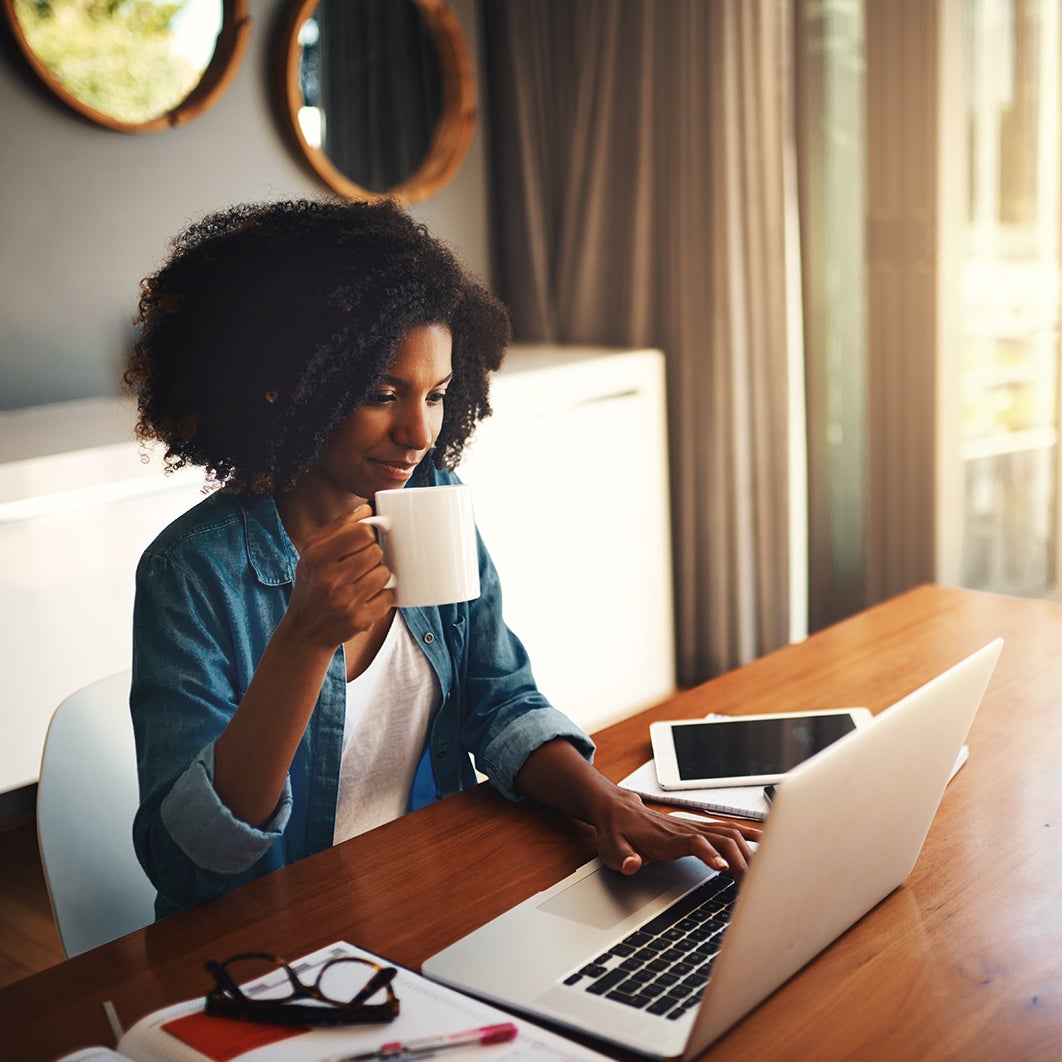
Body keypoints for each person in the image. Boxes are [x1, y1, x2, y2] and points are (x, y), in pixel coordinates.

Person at [124, 198, 758, 918]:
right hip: (276, 936)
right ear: (286, 387)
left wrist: (609, 804)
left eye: (437, 395)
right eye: (382, 394)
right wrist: (304, 639)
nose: (420, 433)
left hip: (428, 892)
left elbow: (499, 700)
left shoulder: (432, 498)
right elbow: (186, 865)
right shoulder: (192, 572)